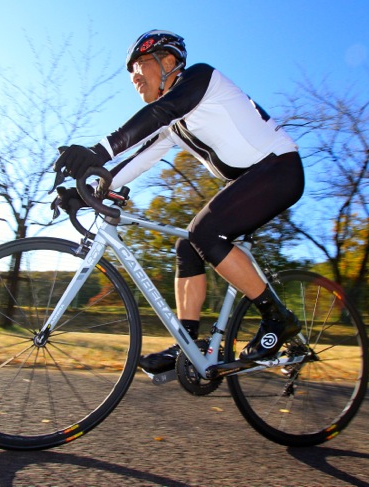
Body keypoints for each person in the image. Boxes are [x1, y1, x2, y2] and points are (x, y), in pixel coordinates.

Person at [54, 29, 305, 374]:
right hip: (251, 180)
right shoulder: (173, 123)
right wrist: (84, 191)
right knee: (189, 245)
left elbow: (160, 112)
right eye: (130, 72)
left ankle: (278, 319)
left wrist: (97, 150)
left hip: (279, 168)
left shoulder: (201, 78)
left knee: (204, 232)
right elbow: (137, 159)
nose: (134, 77)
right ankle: (189, 344)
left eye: (140, 64)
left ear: (168, 61)